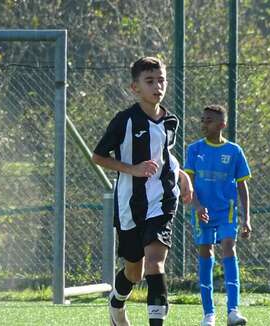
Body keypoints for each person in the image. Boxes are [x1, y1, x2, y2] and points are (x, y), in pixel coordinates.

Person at [92, 56, 193, 326]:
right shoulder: (124, 121)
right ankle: (116, 302)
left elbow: (165, 156)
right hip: (129, 204)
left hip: (162, 201)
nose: (157, 86)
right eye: (150, 81)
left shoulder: (171, 120)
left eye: (161, 80)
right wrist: (132, 169)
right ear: (135, 87)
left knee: (154, 263)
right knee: (134, 272)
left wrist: (182, 176)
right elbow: (98, 156)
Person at [184, 105, 251, 326]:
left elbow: (242, 186)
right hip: (202, 211)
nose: (204, 123)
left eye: (209, 120)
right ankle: (209, 314)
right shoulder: (194, 149)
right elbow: (189, 183)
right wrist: (197, 205)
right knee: (206, 251)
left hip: (226, 212)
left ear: (222, 125)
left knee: (229, 247)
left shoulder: (234, 151)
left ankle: (233, 311)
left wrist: (247, 218)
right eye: (202, 119)